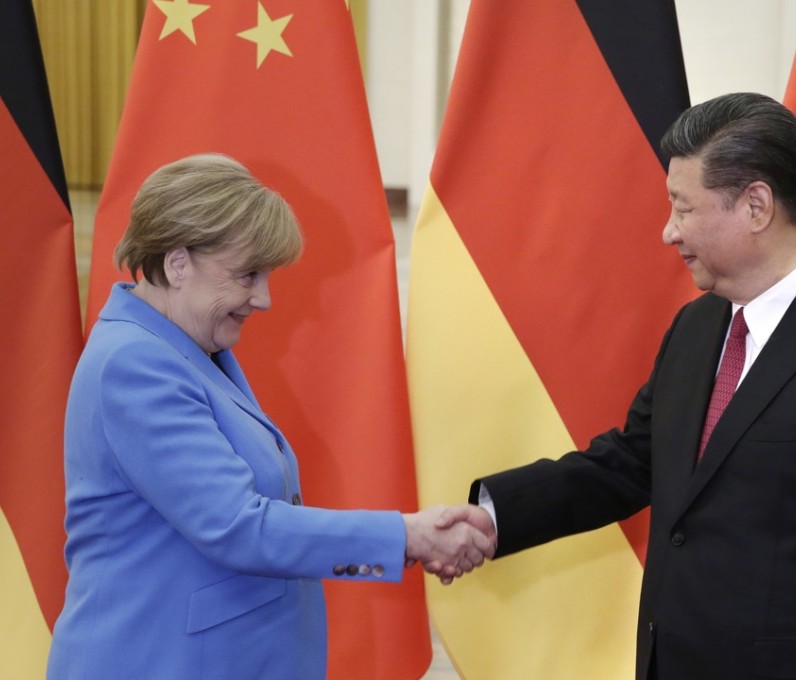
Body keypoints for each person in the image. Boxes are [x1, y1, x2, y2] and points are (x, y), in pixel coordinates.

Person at [441, 93, 796, 679]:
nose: (669, 232)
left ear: (756, 205)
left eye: (683, 208)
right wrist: (494, 516)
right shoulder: (698, 325)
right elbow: (632, 460)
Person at [47, 153, 493, 679]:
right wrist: (407, 536)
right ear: (177, 263)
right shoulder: (135, 364)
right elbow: (237, 524)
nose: (263, 299)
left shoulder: (185, 348)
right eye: (247, 275)